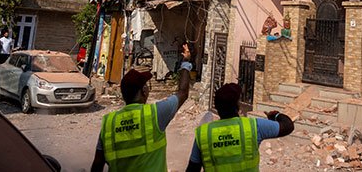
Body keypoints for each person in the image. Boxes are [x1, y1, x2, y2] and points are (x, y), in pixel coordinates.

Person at [91, 43, 192, 172]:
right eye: (146, 86)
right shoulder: (155, 113)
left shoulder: (109, 123)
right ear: (144, 91)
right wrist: (186, 62)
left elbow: (97, 164)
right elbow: (183, 93)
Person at [186, 83, 294, 171]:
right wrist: (275, 115)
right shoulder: (253, 126)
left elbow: (193, 168)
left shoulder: (203, 133)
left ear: (217, 107)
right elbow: (288, 126)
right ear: (237, 106)